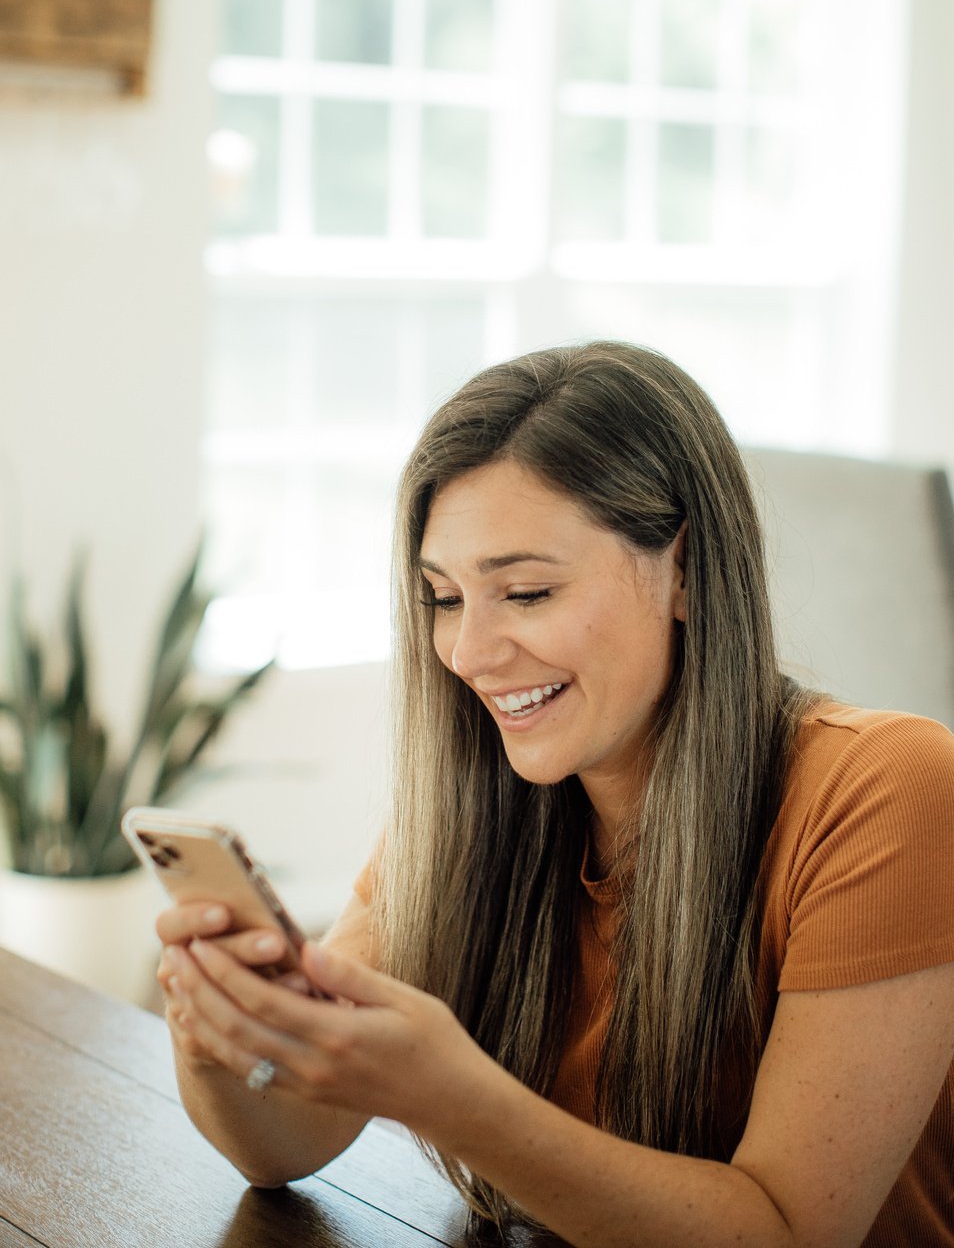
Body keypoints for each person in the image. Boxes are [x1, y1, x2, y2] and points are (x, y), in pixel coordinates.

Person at [157, 341, 954, 1247]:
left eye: (526, 591)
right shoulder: (470, 807)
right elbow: (285, 1144)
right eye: (444, 597)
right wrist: (219, 1028)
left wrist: (453, 1097)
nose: (468, 652)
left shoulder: (891, 787)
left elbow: (789, 1232)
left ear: (687, 571)